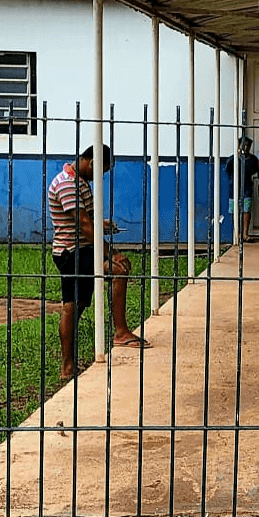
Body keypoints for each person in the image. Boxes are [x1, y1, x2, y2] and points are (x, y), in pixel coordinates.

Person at [47, 144, 150, 381]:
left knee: (77, 306)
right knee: (115, 271)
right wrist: (109, 253)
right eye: (101, 171)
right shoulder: (67, 183)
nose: (100, 178)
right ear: (91, 162)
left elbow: (85, 220)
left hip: (82, 249)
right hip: (72, 252)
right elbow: (83, 225)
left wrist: (101, 225)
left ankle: (69, 365)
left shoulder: (78, 182)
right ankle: (120, 332)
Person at [222, 135, 259, 245]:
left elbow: (257, 171)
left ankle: (245, 234)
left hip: (247, 188)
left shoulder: (253, 159)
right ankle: (237, 234)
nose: (246, 148)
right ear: (239, 146)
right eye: (243, 145)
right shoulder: (232, 159)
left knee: (246, 210)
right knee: (234, 211)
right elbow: (228, 171)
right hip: (233, 189)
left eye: (248, 146)